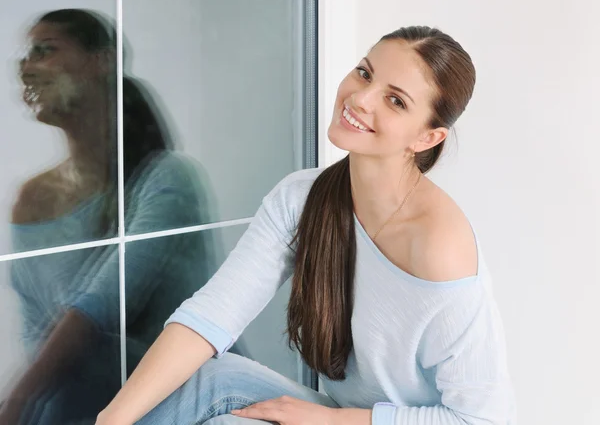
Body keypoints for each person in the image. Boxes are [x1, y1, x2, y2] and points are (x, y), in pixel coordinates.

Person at [97, 26, 516, 425]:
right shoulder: (303, 197)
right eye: (365, 73)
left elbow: (483, 417)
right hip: (334, 414)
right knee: (210, 377)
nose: (361, 99)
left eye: (396, 101)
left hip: (352, 420)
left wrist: (333, 420)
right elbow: (213, 315)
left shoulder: (439, 246)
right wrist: (111, 418)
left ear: (426, 139)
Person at [0, 9, 223, 425]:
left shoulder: (167, 177)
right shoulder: (31, 200)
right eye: (25, 57)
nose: (26, 69)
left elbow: (102, 305)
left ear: (101, 62)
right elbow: (38, 333)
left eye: (44, 51)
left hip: (194, 403)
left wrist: (17, 402)